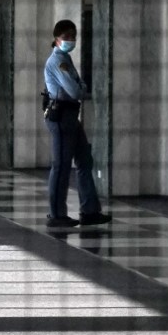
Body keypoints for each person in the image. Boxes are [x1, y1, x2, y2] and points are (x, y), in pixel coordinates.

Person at [43, 19, 111, 228]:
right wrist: (80, 88)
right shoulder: (57, 61)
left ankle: (90, 210)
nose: (71, 40)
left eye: (73, 36)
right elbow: (75, 91)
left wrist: (79, 88)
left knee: (84, 161)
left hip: (71, 116)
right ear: (56, 39)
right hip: (61, 117)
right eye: (66, 37)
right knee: (61, 166)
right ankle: (56, 214)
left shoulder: (66, 58)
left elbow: (78, 87)